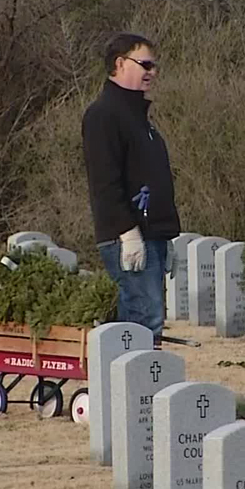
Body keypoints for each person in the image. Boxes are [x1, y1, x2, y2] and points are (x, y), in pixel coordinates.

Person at [81, 33, 181, 342]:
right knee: (144, 321)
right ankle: (138, 375)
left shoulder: (139, 120)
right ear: (120, 64)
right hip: (128, 236)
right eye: (145, 64)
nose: (152, 72)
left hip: (151, 234)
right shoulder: (103, 116)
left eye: (154, 66)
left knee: (146, 318)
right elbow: (105, 182)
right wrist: (127, 232)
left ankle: (136, 374)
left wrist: (165, 233)